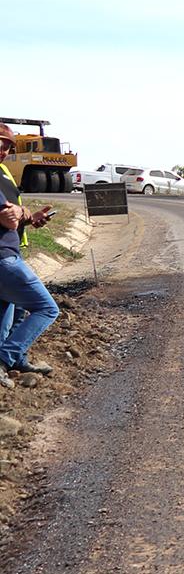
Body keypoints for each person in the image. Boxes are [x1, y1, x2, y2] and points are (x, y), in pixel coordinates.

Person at [0, 130, 58, 387]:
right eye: (0, 145)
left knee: (12, 313)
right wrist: (19, 214)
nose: (4, 151)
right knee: (46, 308)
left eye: (8, 147)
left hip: (11, 252)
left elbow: (14, 216)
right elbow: (7, 218)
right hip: (3, 257)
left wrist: (29, 216)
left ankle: (14, 358)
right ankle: (5, 358)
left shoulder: (3, 172)